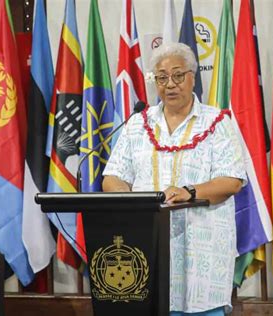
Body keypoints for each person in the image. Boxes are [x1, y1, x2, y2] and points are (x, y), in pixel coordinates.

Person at [102, 42, 246, 316]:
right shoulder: (137, 123)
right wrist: (130, 197)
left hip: (201, 257)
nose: (170, 84)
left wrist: (188, 191)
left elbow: (232, 181)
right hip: (148, 249)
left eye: (178, 75)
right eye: (162, 77)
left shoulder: (217, 122)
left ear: (193, 76)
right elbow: (112, 176)